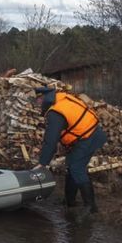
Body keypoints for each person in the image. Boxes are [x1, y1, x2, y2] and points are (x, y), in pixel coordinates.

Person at [32, 86, 107, 220]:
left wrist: (43, 163)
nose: (37, 105)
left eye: (38, 101)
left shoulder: (55, 112)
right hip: (88, 135)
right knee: (71, 165)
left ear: (43, 98)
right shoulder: (61, 99)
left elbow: (50, 140)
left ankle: (91, 208)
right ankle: (69, 202)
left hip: (89, 137)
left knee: (76, 168)